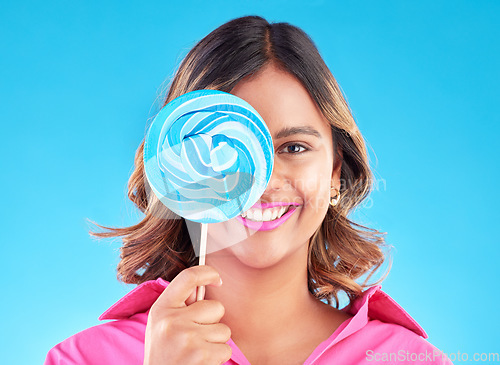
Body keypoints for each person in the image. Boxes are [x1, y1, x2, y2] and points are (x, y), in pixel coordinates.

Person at [45, 15, 453, 365]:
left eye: (294, 147)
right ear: (179, 169)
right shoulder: (83, 358)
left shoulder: (408, 358)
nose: (264, 180)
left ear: (334, 173)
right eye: (224, 148)